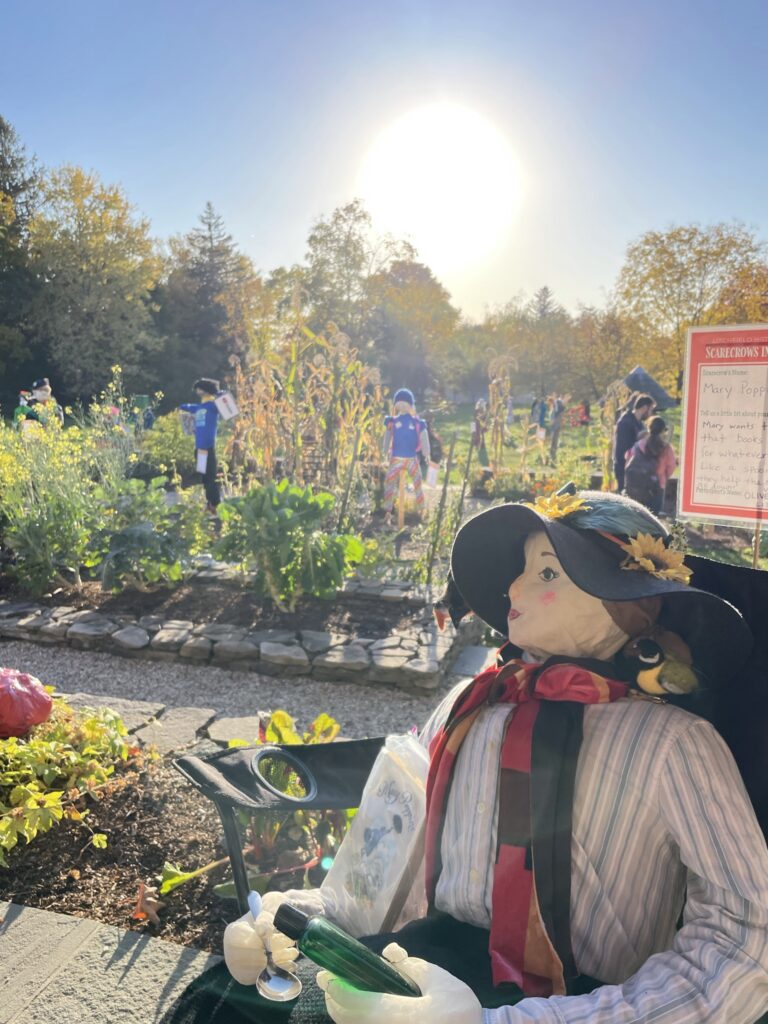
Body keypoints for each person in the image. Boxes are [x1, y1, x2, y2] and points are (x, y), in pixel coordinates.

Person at [229, 488, 768, 1024]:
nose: (513, 586)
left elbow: (743, 939)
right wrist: (305, 921)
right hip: (414, 980)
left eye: (547, 573)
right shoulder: (472, 706)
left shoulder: (674, 746)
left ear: (626, 609)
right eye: (522, 568)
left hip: (581, 1001)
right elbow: (388, 851)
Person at [382, 388, 430, 521]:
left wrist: (426, 453)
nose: (402, 405)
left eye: (405, 403)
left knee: (418, 482)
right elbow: (387, 435)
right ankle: (388, 510)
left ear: (411, 404)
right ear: (395, 404)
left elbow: (423, 435)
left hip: (411, 458)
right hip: (396, 457)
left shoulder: (416, 422)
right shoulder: (392, 421)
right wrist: (385, 450)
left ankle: (421, 509)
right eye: (399, 403)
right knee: (389, 481)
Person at [179, 378, 222, 512]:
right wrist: (181, 407)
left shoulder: (214, 406)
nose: (197, 391)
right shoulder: (200, 407)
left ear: (205, 390)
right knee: (204, 477)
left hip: (208, 447)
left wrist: (217, 391)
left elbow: (224, 399)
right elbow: (187, 406)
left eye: (199, 388)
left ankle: (215, 504)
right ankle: (209, 503)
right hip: (199, 449)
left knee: (211, 476)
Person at [624, 415, 677, 514]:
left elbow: (627, 457)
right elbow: (671, 466)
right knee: (652, 519)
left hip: (636, 487)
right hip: (656, 489)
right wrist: (663, 477)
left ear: (648, 428)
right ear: (663, 431)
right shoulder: (666, 448)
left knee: (637, 517)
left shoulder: (638, 445)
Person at [613, 392, 654, 492]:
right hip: (625, 468)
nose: (651, 413)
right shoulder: (626, 422)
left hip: (634, 468)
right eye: (650, 409)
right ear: (644, 408)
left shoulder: (639, 423)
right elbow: (622, 449)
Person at [548, 394, 565, 463]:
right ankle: (553, 455)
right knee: (554, 441)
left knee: (553, 441)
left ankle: (552, 455)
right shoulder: (554, 410)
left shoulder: (553, 411)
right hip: (556, 427)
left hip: (554, 427)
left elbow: (552, 421)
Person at [472, 399, 490, 468]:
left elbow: (485, 423)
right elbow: (473, 422)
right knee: (476, 442)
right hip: (476, 430)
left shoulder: (484, 413)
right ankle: (477, 456)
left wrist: (485, 426)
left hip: (481, 431)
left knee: (482, 444)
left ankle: (482, 457)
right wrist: (472, 431)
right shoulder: (476, 413)